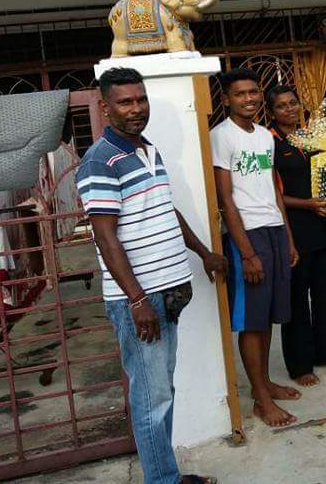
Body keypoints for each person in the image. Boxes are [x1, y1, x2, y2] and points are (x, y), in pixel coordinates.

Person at [76, 67, 225, 484]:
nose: (136, 108)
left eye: (140, 99)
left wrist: (203, 253)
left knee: (162, 392)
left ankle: (166, 476)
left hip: (167, 291)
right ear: (105, 108)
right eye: (125, 102)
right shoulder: (100, 161)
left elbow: (165, 209)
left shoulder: (147, 149)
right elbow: (105, 238)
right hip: (141, 300)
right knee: (151, 398)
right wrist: (138, 299)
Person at [210, 69, 300, 427]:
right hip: (247, 235)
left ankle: (264, 384)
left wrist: (288, 238)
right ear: (226, 100)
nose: (249, 99)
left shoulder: (264, 136)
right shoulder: (221, 137)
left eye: (253, 92)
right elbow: (226, 200)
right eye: (240, 94)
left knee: (269, 315)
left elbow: (274, 190)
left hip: (274, 229)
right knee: (251, 320)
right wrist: (246, 253)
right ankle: (261, 399)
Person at [266, 84, 326, 386]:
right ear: (271, 111)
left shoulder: (312, 137)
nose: (289, 109)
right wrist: (307, 204)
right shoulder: (269, 143)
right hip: (294, 231)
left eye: (293, 102)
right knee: (297, 300)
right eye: (281, 105)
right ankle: (300, 364)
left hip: (324, 227)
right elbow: (272, 193)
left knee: (325, 295)